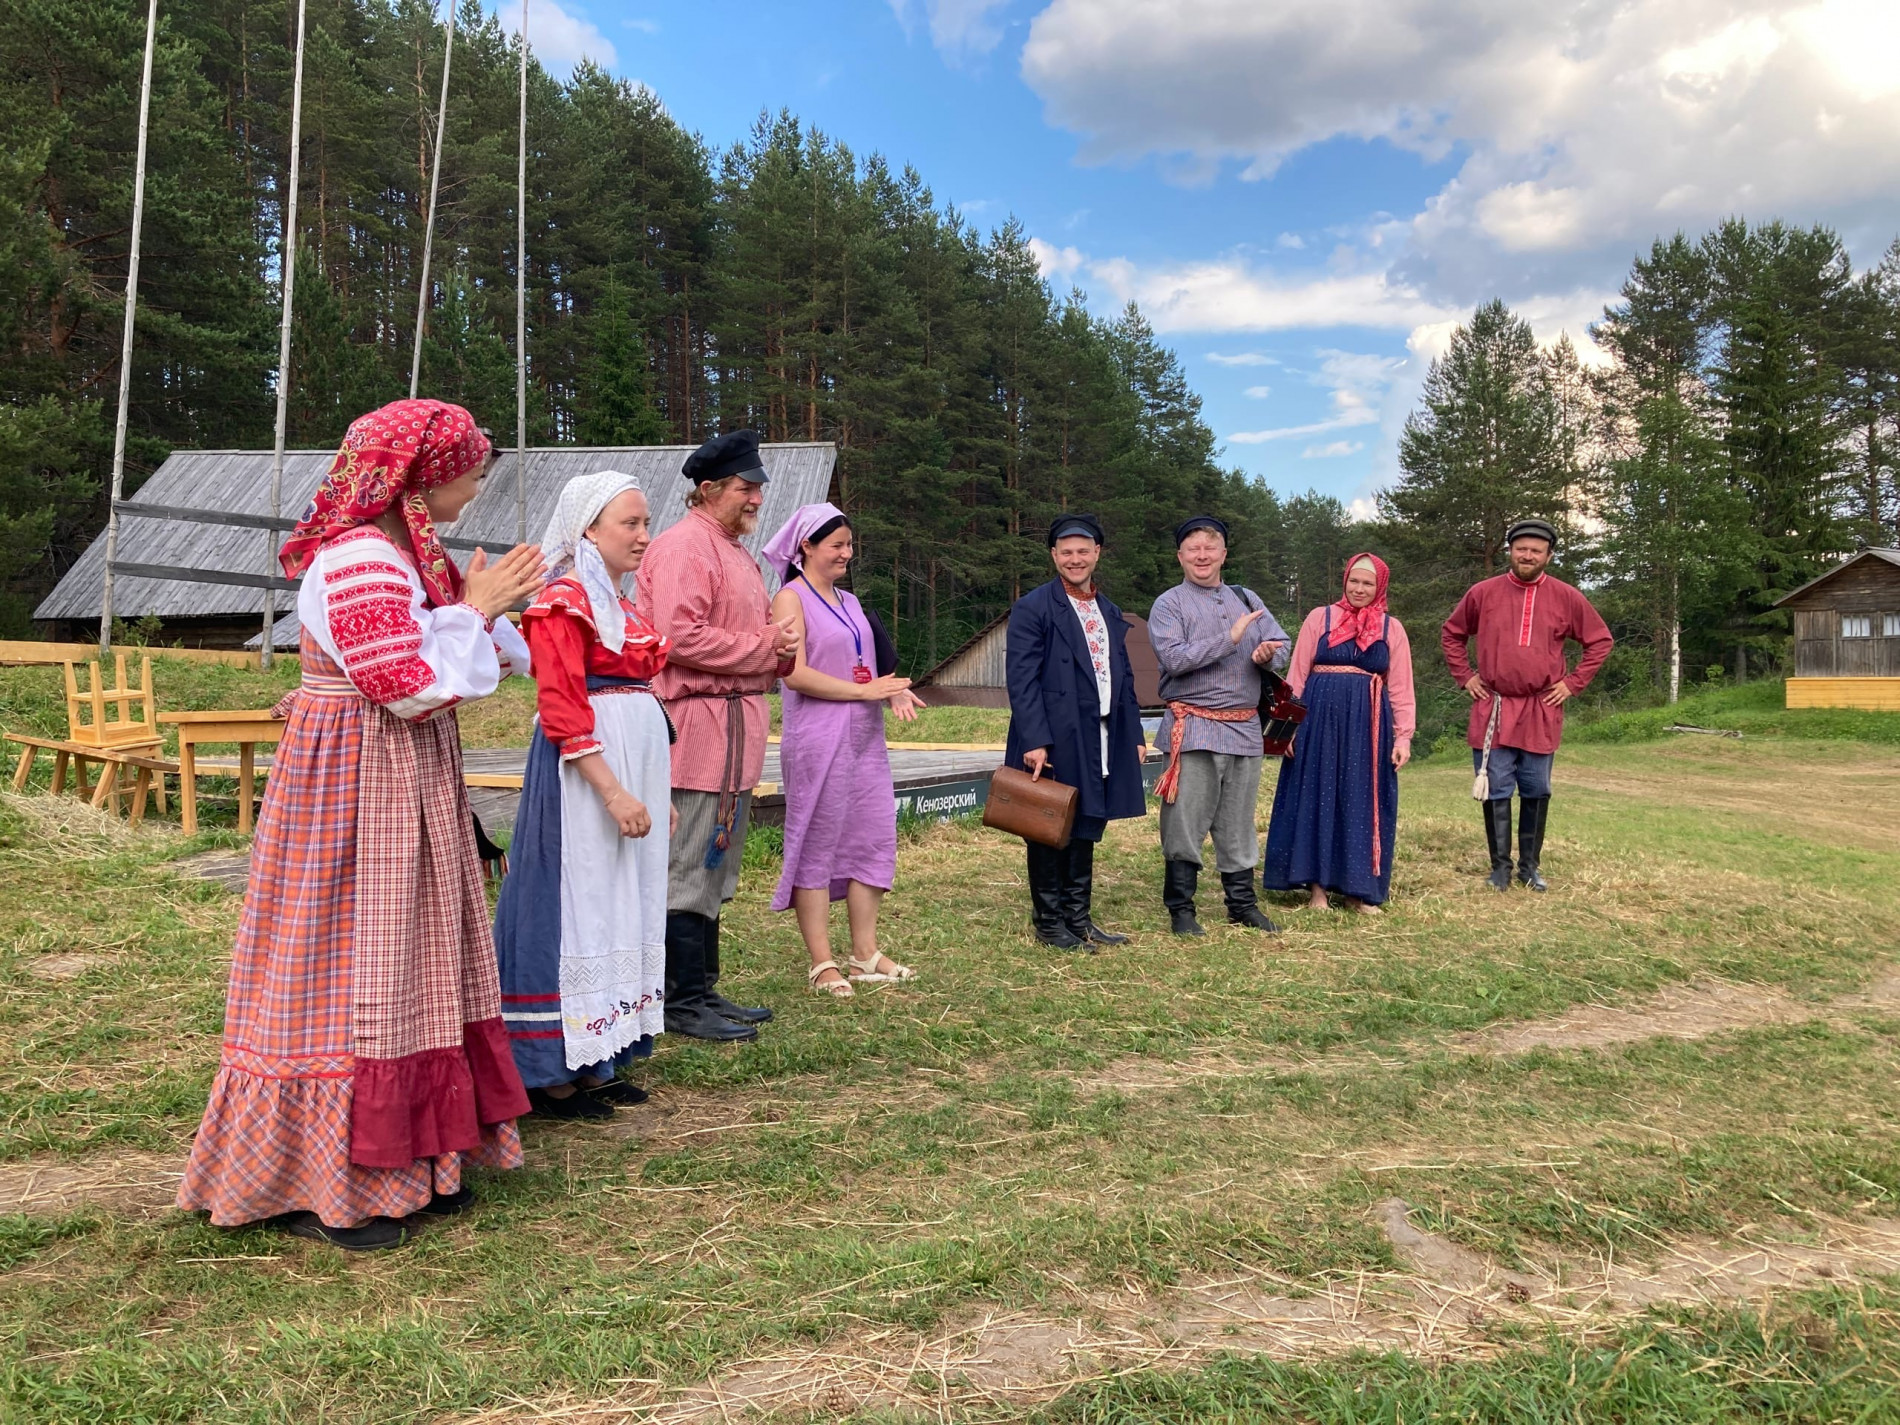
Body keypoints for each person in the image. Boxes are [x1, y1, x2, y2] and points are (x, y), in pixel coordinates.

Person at [177, 399, 545, 1252]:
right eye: (471, 465)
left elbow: (438, 655)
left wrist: (486, 606)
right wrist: (478, 608)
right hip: (356, 784)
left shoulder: (404, 554)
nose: (479, 479)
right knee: (348, 961)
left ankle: (419, 1161)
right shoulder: (358, 559)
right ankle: (328, 1179)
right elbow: (404, 680)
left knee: (411, 962)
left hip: (397, 775)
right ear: (422, 474)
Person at [493, 472, 673, 1119]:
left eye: (645, 522)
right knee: (578, 905)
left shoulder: (617, 606)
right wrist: (614, 790)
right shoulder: (561, 602)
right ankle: (549, 1071)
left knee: (622, 904)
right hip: (582, 779)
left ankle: (599, 1057)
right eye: (631, 523)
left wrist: (653, 788)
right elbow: (563, 705)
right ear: (588, 529)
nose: (644, 536)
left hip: (627, 775)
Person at [637, 430, 799, 1041]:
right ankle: (679, 1001)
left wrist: (777, 650)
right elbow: (678, 636)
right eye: (745, 487)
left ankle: (702, 987)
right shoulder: (684, 548)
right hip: (698, 726)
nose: (757, 497)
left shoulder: (733, 550)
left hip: (733, 726)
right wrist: (765, 646)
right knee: (689, 860)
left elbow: (748, 636)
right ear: (707, 490)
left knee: (716, 861)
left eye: (758, 487)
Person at [762, 503, 923, 997]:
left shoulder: (852, 603)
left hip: (864, 740)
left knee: (871, 838)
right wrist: (864, 692)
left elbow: (862, 666)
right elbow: (795, 673)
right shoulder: (789, 599)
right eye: (837, 545)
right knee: (818, 842)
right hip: (817, 741)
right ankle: (822, 962)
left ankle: (864, 953)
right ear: (806, 546)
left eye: (850, 545)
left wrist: (889, 688)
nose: (846, 553)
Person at [1440, 519, 1613, 891]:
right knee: (1496, 787)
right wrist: (1465, 676)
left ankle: (1529, 867)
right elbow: (1452, 633)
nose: (1528, 555)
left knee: (1536, 787)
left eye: (1536, 550)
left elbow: (1600, 641)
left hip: (1541, 708)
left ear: (1548, 555)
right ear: (1511, 551)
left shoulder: (1567, 597)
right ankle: (1500, 867)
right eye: (1522, 548)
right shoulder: (1483, 593)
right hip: (1495, 706)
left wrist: (1572, 683)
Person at [1003, 513, 1148, 950]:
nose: (1075, 559)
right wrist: (1034, 739)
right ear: (1053, 555)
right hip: (1055, 734)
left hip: (1101, 732)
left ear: (1097, 553)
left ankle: (1077, 917)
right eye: (1066, 552)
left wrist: (1136, 733)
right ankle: (1049, 922)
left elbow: (1122, 677)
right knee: (1049, 820)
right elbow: (1022, 679)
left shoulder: (1108, 610)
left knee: (1087, 818)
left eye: (1083, 551)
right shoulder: (1034, 607)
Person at [1148, 515, 1290, 936]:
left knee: (1237, 821)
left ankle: (1241, 904)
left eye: (1210, 547)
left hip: (1245, 729)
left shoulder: (1246, 598)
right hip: (1193, 726)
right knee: (1185, 820)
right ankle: (1182, 908)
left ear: (1224, 554)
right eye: (1193, 548)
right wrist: (1229, 640)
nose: (1202, 555)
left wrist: (1267, 653)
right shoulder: (1169, 604)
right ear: (1180, 557)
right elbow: (1174, 659)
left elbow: (1281, 645)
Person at [1261, 553, 1418, 912]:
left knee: (1360, 800)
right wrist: (1288, 729)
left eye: (1367, 583)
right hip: (1319, 720)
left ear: (1379, 587)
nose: (1359, 589)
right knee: (1317, 794)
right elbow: (1297, 675)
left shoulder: (1391, 629)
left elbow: (1401, 687)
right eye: (1354, 581)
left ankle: (1356, 891)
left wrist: (1403, 736)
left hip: (1369, 726)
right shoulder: (1321, 617)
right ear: (1345, 581)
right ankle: (1317, 890)